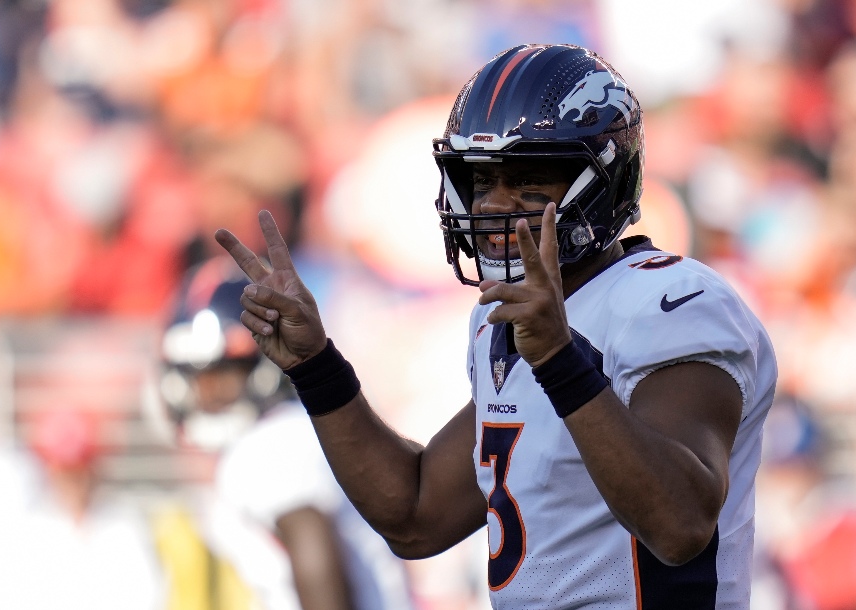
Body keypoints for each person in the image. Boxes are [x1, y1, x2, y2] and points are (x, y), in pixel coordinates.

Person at [217, 44, 778, 609]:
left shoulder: (674, 299)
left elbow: (681, 525)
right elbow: (415, 516)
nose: (494, 205)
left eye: (530, 183)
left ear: (605, 183)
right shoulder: (500, 317)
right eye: (483, 182)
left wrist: (561, 362)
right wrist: (317, 368)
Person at [151, 256, 413, 610]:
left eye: (224, 375)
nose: (209, 394)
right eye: (200, 379)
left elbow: (315, 555)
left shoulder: (273, 441)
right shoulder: (288, 433)